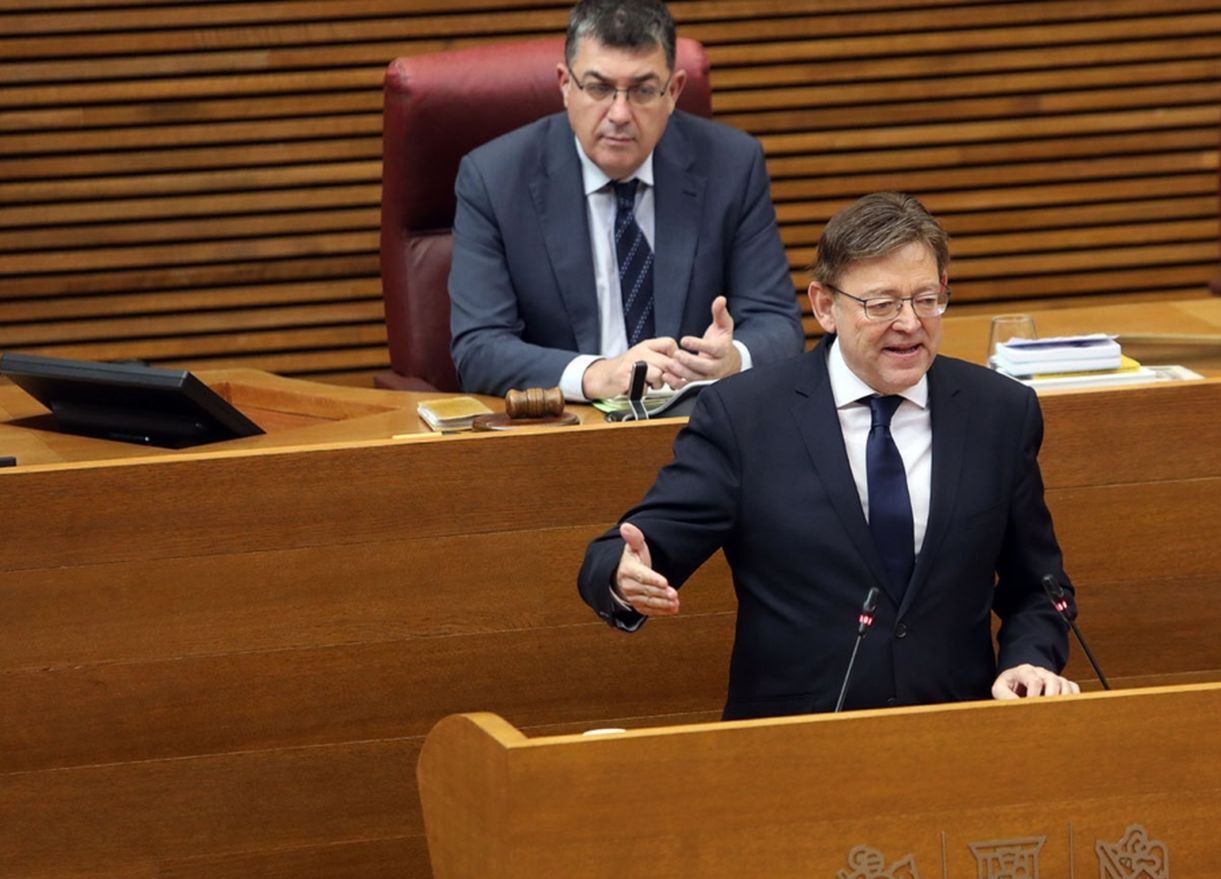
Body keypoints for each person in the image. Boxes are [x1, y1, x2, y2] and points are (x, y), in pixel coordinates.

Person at [578, 192, 1079, 720]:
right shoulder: (747, 416)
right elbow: (632, 548)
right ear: (824, 306)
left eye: (927, 299)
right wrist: (622, 573)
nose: (910, 323)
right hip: (795, 744)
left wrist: (1028, 660)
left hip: (955, 731)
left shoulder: (999, 411)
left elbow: (1040, 587)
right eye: (882, 305)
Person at [449, 0, 803, 398]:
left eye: (643, 90)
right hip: (562, 432)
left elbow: (779, 326)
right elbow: (479, 350)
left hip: (697, 428)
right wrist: (596, 375)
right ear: (566, 84)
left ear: (674, 91)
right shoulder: (495, 179)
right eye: (599, 88)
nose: (619, 113)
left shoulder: (732, 166)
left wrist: (733, 358)